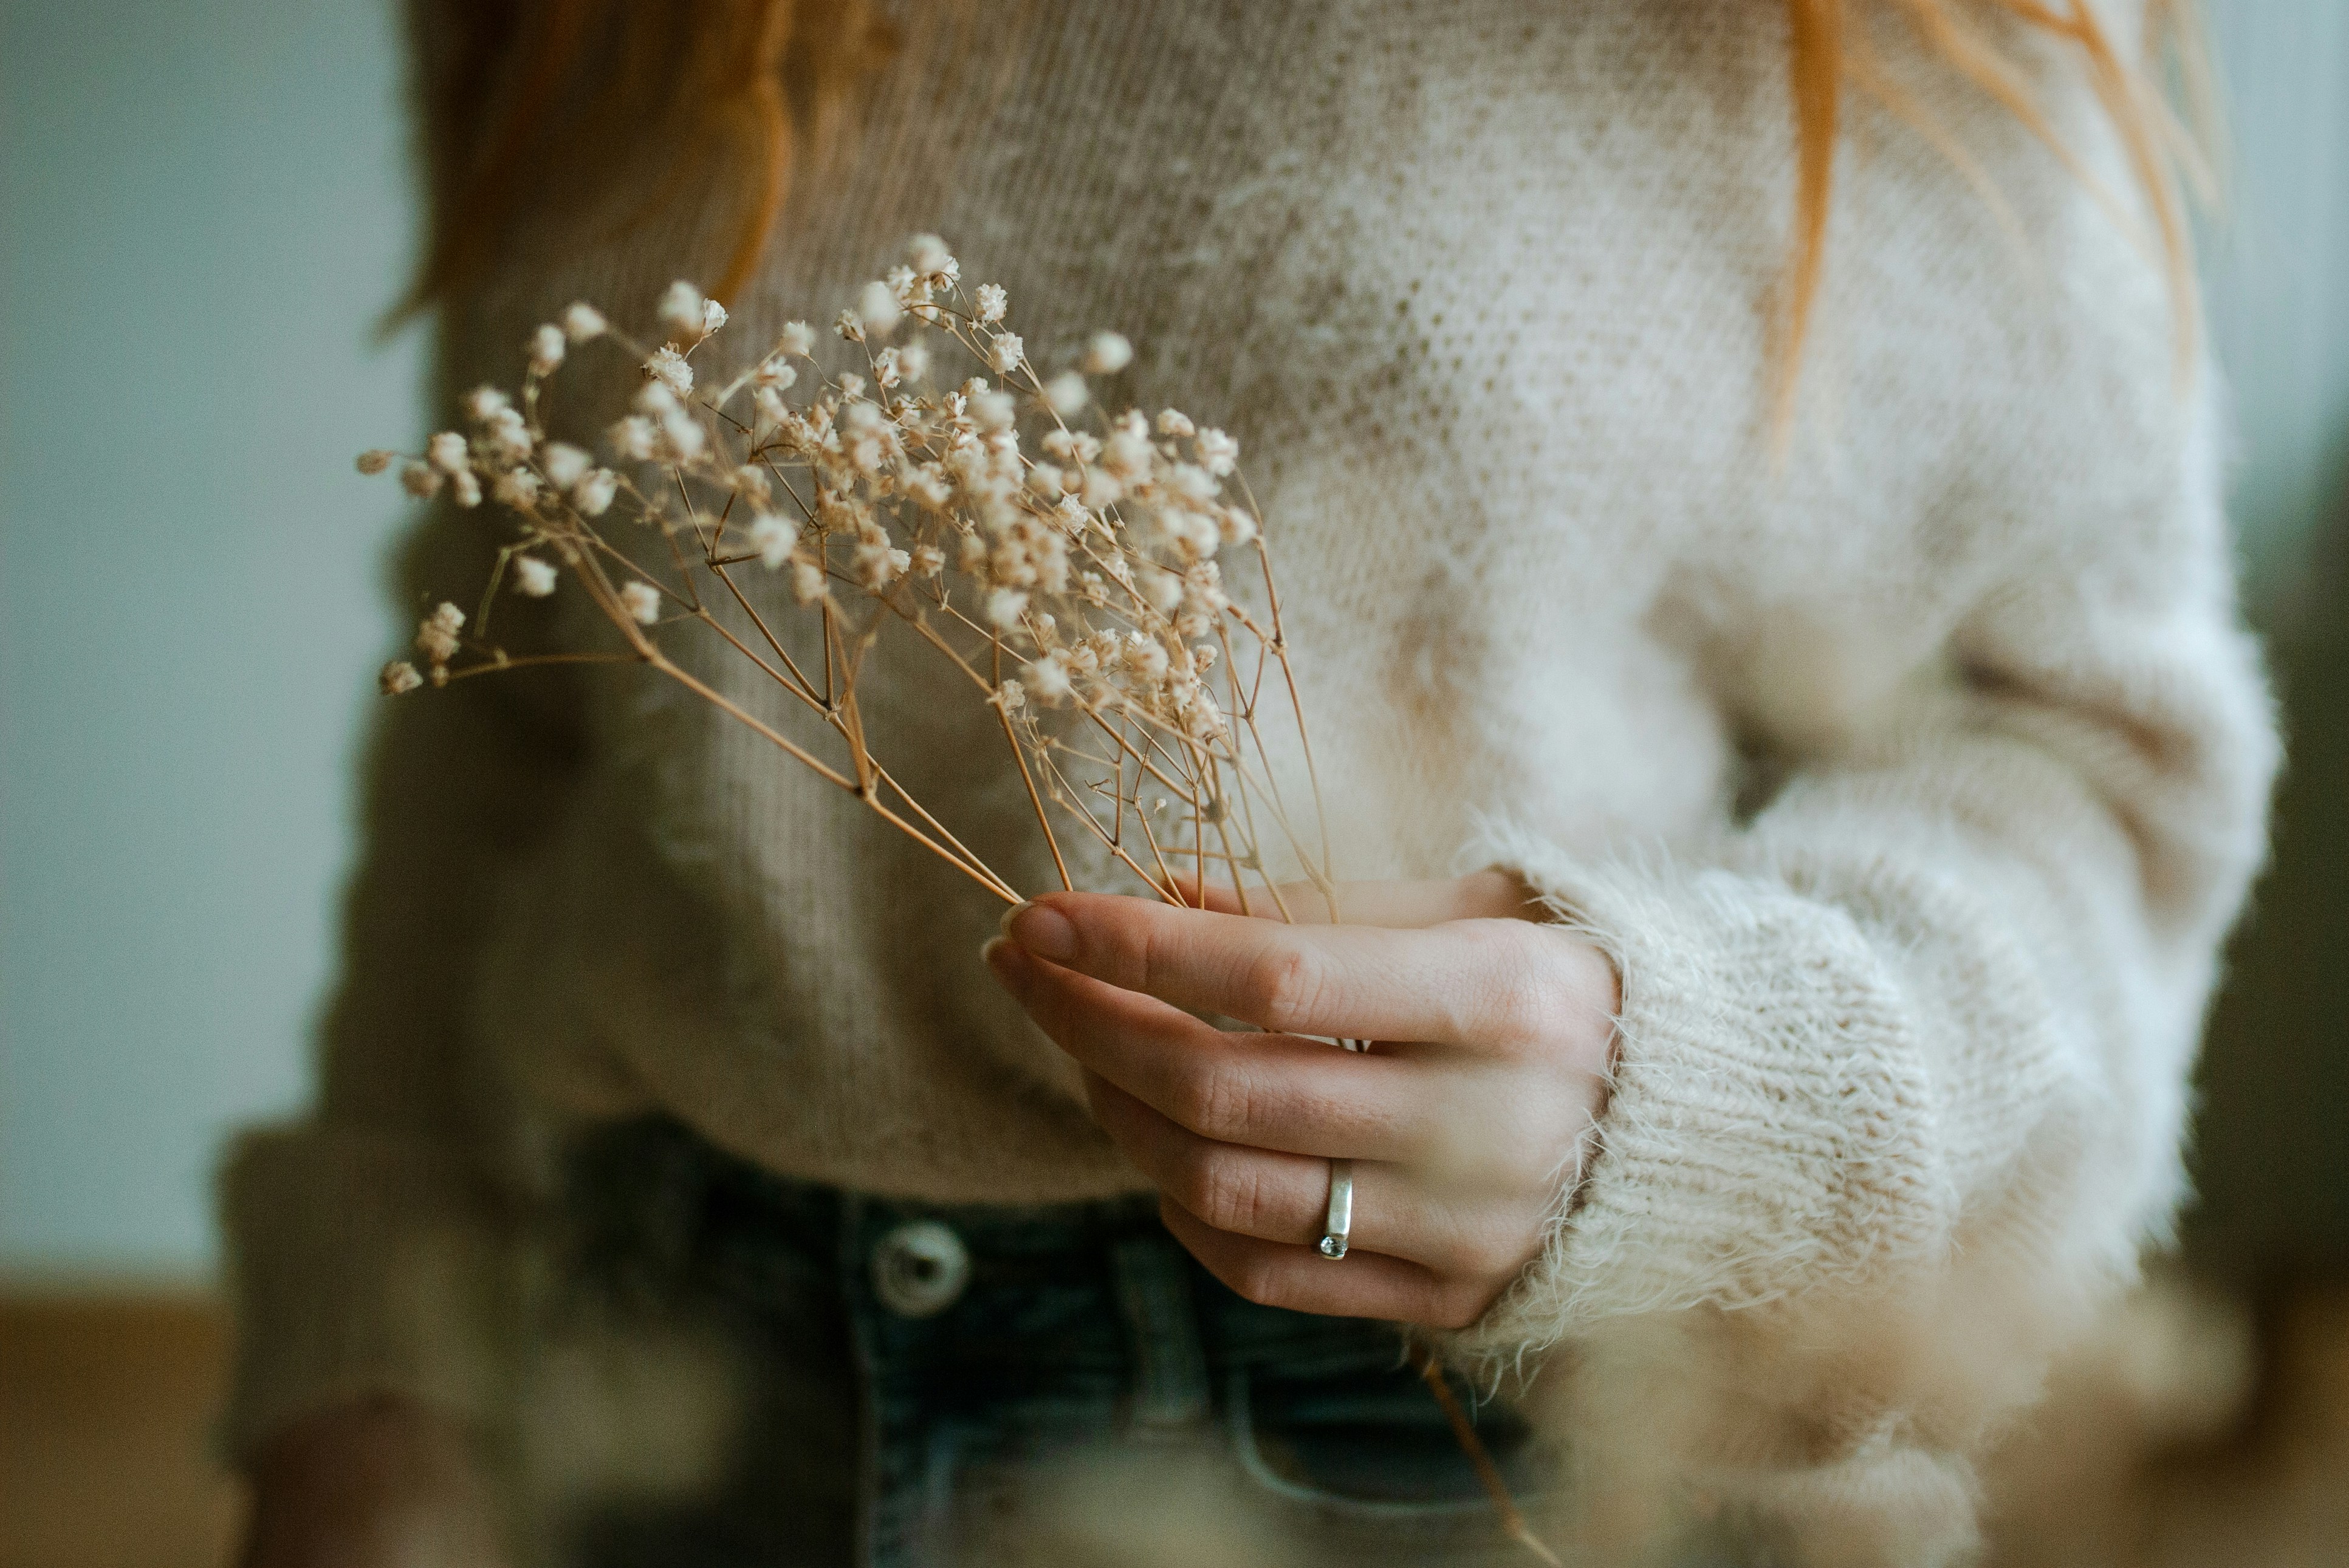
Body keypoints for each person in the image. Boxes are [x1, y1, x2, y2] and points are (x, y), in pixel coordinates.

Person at [226, 2, 2277, 1563]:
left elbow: (2079, 758)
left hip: (1439, 1433)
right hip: (644, 1373)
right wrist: (382, 1347)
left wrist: (1723, 1103)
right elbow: (529, 665)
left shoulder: (1901, 56)